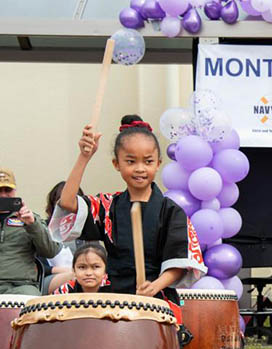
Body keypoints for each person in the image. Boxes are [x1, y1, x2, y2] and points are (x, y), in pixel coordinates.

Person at [51, 115, 206, 305]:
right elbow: (67, 202)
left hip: (156, 298)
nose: (140, 168)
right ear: (117, 164)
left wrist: (155, 286)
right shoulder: (108, 206)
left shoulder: (171, 212)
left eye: (148, 161)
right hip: (114, 297)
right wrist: (84, 157)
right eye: (131, 161)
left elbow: (180, 263)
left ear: (158, 163)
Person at [0, 167, 60, 295]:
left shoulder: (30, 219)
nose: (3, 195)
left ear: (14, 191)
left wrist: (32, 225)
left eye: (7, 190)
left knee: (31, 304)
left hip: (21, 286)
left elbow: (50, 251)